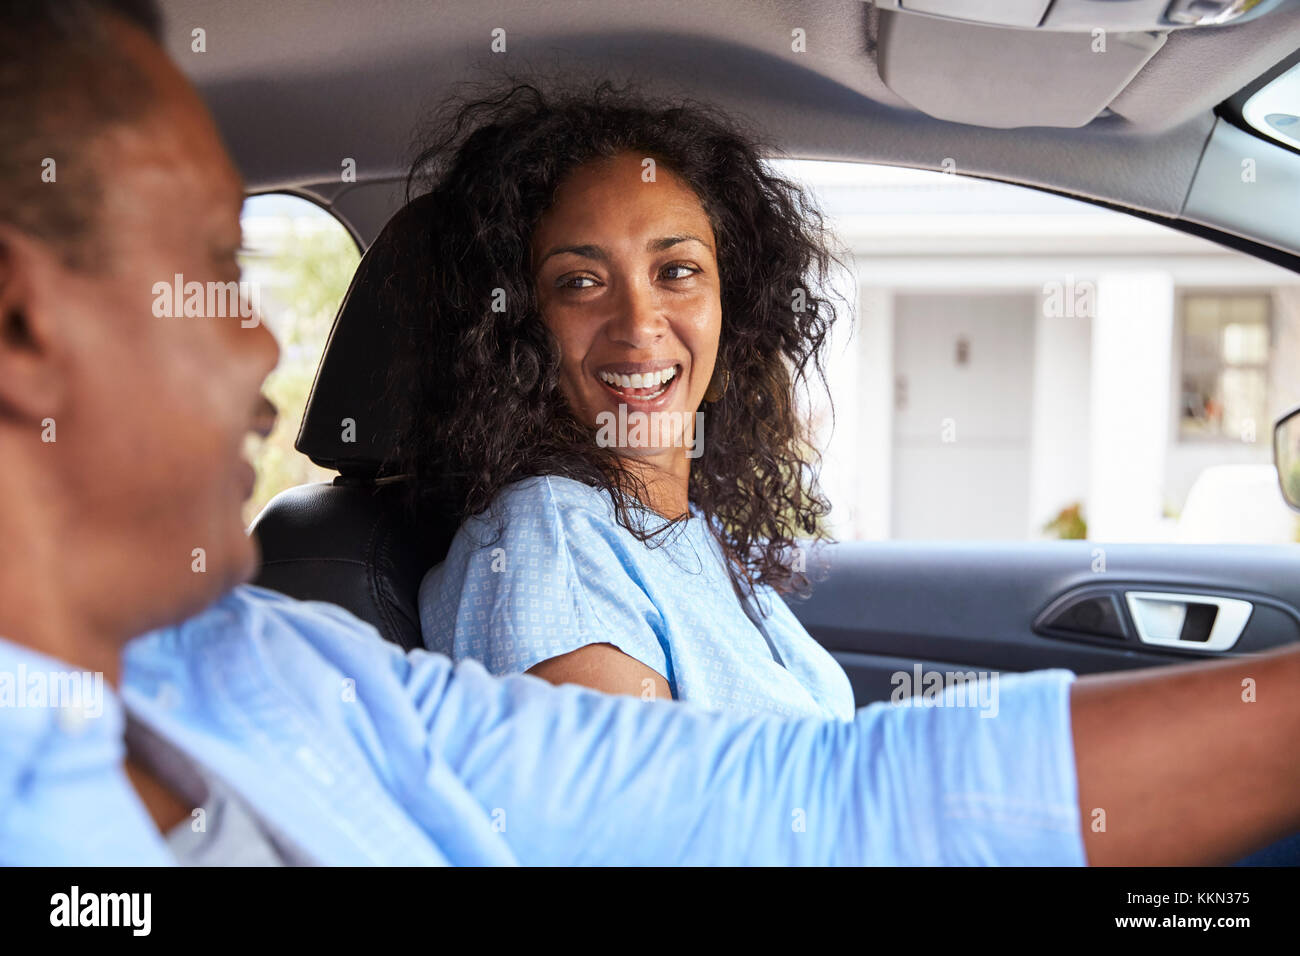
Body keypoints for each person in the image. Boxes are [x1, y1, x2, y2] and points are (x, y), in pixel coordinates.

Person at [1, 0, 1298, 867]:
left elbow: (822, 806)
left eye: (680, 272)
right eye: (209, 271)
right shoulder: (538, 552)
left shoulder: (274, 665)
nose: (261, 343)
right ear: (21, 323)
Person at [402, 81, 856, 718]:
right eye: (581, 282)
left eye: (676, 271)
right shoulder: (550, 540)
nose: (639, 323)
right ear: (517, 331)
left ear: (736, 314)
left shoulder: (687, 528)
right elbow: (647, 815)